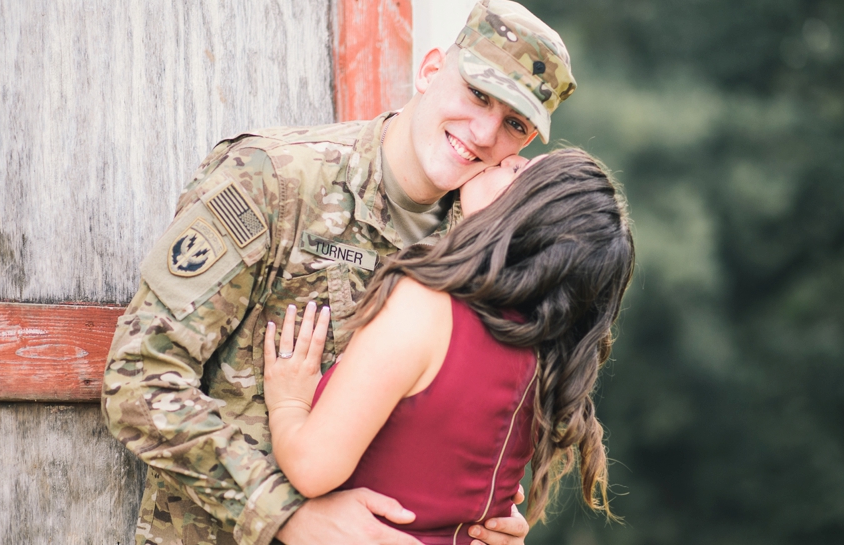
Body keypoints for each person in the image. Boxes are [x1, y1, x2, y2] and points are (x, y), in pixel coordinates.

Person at [102, 0, 577, 545]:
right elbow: (139, 379)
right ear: (429, 71)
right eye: (477, 93)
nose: (484, 132)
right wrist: (289, 517)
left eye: (513, 123)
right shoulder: (274, 181)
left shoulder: (485, 258)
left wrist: (478, 513)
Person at [261, 148, 635, 544]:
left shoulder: (426, 306)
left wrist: (289, 404)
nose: (509, 158)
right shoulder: (548, 363)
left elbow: (311, 467)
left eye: (521, 170)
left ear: (526, 219)